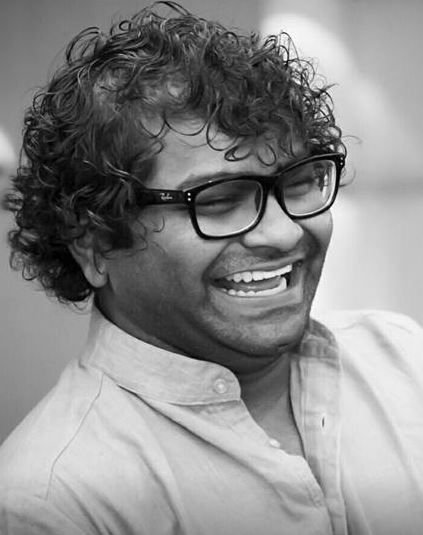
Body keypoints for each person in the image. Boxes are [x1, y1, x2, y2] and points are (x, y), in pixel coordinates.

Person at [1, 2, 423, 534]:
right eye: (220, 201)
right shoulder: (56, 502)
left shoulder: (404, 360)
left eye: (299, 183)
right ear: (95, 243)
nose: (284, 233)